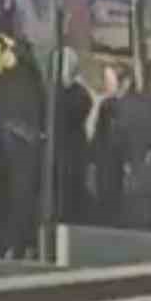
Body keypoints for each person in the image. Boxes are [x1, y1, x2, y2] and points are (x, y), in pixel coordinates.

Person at [0, 35, 43, 258]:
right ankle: (7, 243)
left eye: (6, 51)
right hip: (2, 148)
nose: (2, 55)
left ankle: (20, 243)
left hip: (21, 151)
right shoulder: (0, 81)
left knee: (20, 197)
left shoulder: (30, 82)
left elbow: (34, 117)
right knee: (4, 196)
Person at [110, 68, 151, 229]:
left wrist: (125, 159)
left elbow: (120, 134)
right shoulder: (148, 103)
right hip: (145, 157)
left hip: (130, 157)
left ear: (125, 83)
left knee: (132, 198)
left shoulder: (121, 106)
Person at [58, 48, 93, 224]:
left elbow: (76, 114)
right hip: (62, 148)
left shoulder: (79, 93)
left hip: (72, 148)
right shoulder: (54, 90)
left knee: (72, 186)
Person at [92, 64, 125, 226]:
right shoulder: (103, 103)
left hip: (114, 158)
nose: (107, 83)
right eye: (106, 79)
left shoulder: (118, 104)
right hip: (103, 157)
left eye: (110, 79)